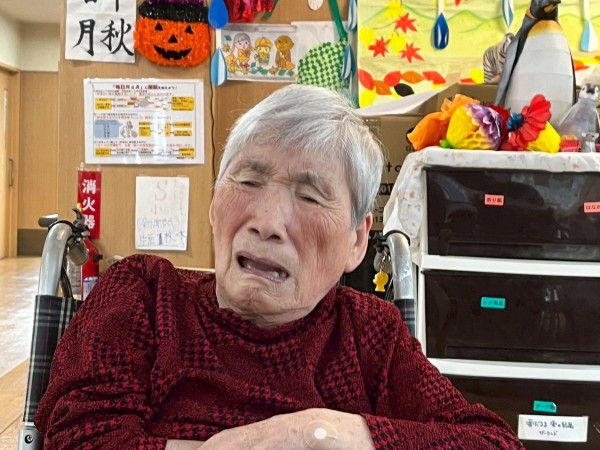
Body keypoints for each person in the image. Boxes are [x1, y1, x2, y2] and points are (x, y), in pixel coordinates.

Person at [35, 84, 524, 449]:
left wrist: (322, 433)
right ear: (214, 204)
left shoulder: (369, 333)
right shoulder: (143, 294)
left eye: (310, 196)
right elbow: (77, 437)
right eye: (248, 181)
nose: (267, 223)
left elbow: (492, 443)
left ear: (356, 241)